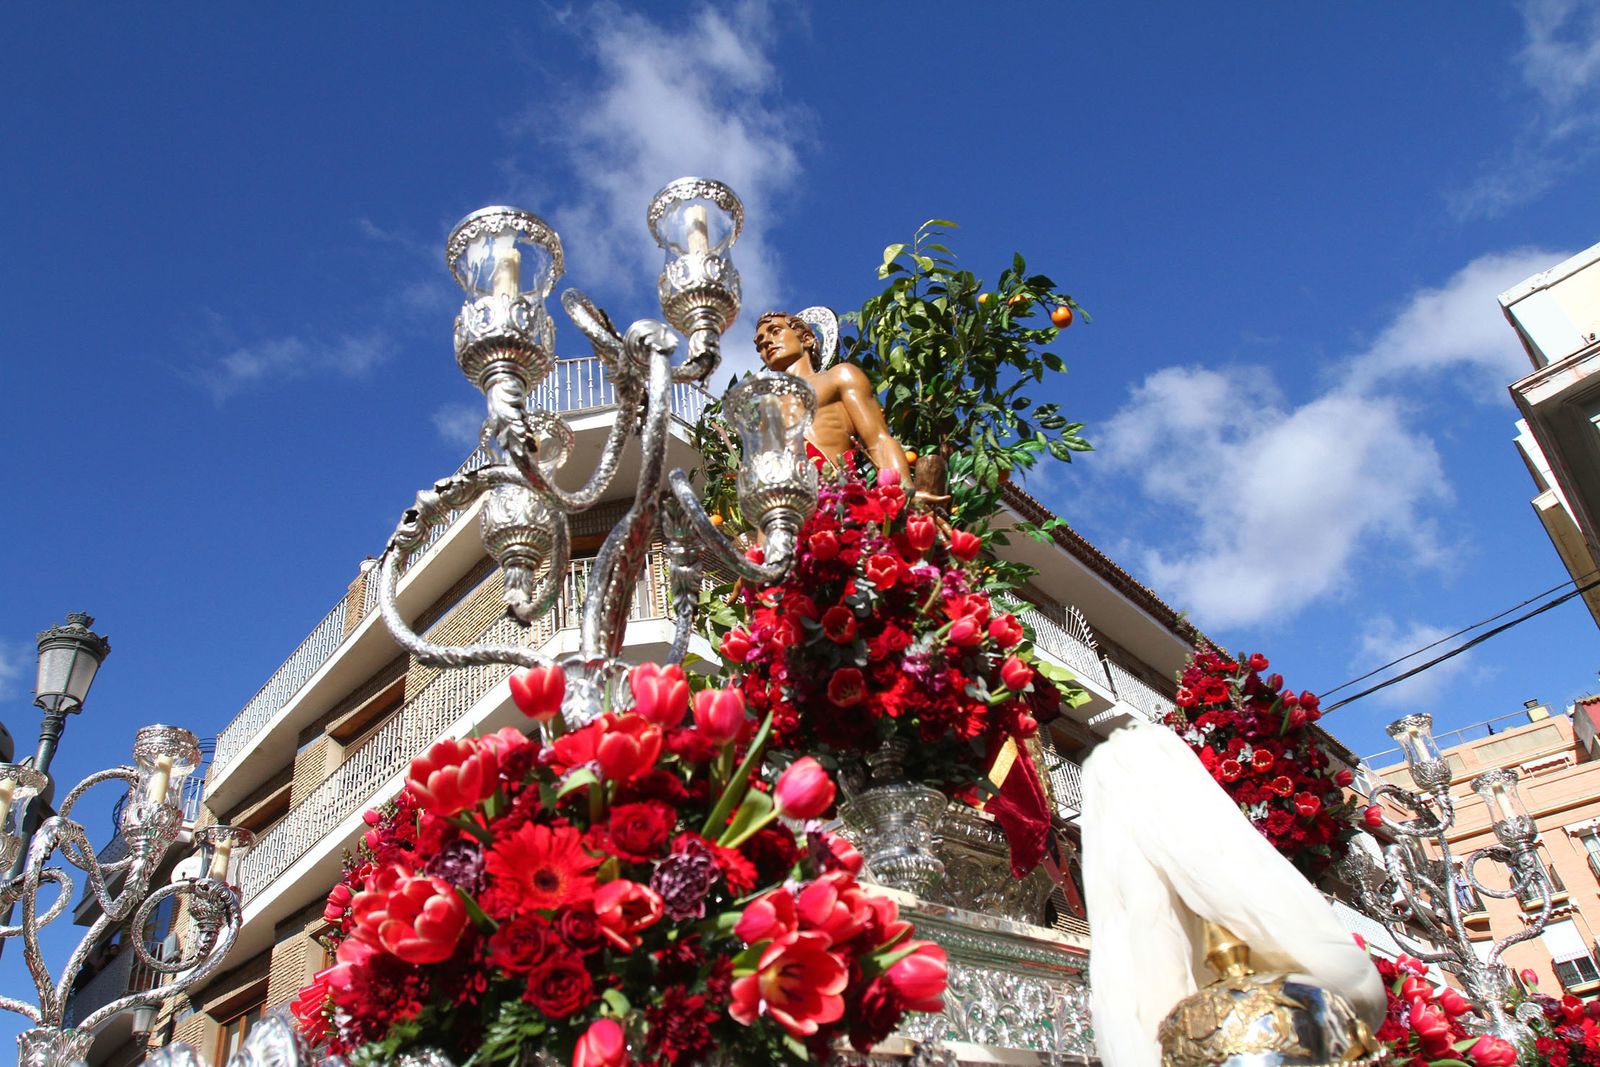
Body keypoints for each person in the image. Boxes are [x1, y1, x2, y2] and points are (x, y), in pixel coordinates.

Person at [754, 311, 916, 493]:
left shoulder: (838, 377)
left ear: (806, 339)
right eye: (759, 344)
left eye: (775, 331)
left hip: (837, 501)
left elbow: (879, 440)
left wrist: (905, 494)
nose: (766, 342)